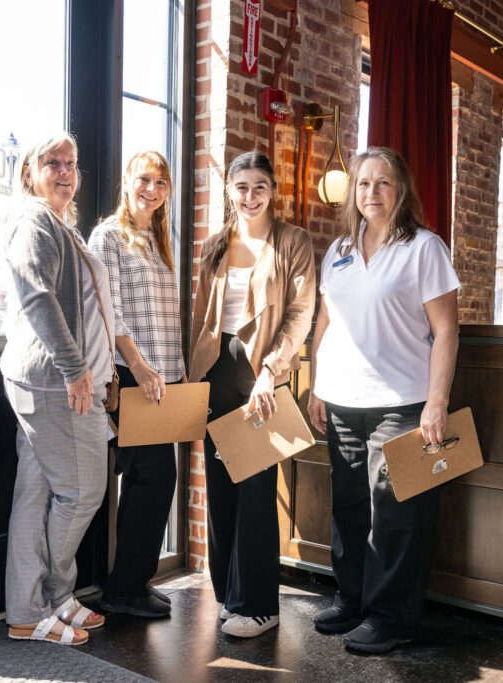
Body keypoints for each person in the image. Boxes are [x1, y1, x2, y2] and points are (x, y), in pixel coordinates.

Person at [306, 147, 460, 654]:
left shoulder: (424, 248)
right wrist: (317, 384)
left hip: (403, 403)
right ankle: (352, 600)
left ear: (401, 191)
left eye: (383, 183)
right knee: (350, 507)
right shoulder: (339, 250)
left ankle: (390, 618)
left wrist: (437, 401)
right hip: (342, 401)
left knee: (396, 514)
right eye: (363, 183)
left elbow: (446, 329)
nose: (371, 192)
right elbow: (325, 322)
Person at [188, 151, 316, 638]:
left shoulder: (293, 241)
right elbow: (202, 315)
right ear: (229, 191)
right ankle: (228, 595)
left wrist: (270, 370)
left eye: (260, 186)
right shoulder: (215, 245)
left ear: (273, 191)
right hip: (215, 370)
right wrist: (192, 377)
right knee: (220, 483)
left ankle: (260, 604)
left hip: (262, 372)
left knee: (257, 487)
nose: (250, 196)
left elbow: (300, 312)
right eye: (241, 186)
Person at [0, 131, 115, 646]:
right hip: (54, 381)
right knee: (83, 491)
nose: (65, 171)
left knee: (36, 492)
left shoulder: (62, 225)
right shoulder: (34, 221)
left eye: (71, 163)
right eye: (53, 162)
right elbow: (37, 297)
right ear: (31, 172)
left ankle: (33, 610)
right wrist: (74, 368)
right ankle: (49, 595)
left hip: (49, 379)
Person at [89, 151, 185, 618]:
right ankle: (123, 590)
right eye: (144, 179)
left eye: (161, 182)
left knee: (150, 479)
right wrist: (140, 367)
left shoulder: (159, 238)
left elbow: (167, 316)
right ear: (127, 181)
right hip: (132, 375)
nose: (152, 189)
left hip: (163, 377)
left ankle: (131, 583)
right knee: (155, 475)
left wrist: (177, 372)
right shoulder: (108, 236)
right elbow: (110, 312)